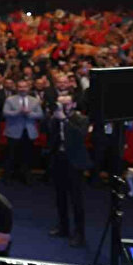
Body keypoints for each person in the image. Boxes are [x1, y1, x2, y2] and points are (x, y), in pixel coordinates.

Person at [47, 93, 89, 247]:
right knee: (60, 196)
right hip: (59, 159)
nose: (63, 107)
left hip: (74, 162)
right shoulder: (56, 118)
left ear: (73, 105)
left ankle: (80, 233)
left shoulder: (81, 119)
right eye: (60, 104)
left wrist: (64, 119)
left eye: (66, 104)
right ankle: (63, 227)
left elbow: (79, 136)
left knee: (76, 199)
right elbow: (50, 134)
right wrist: (55, 119)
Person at [2, 80, 44, 184]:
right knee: (11, 155)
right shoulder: (10, 100)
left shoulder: (35, 100)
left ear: (28, 88)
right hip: (14, 131)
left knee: (27, 156)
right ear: (17, 88)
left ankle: (26, 177)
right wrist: (18, 112)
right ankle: (8, 177)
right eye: (20, 87)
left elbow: (40, 115)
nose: (22, 89)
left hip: (29, 131)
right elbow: (5, 113)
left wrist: (29, 113)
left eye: (24, 87)